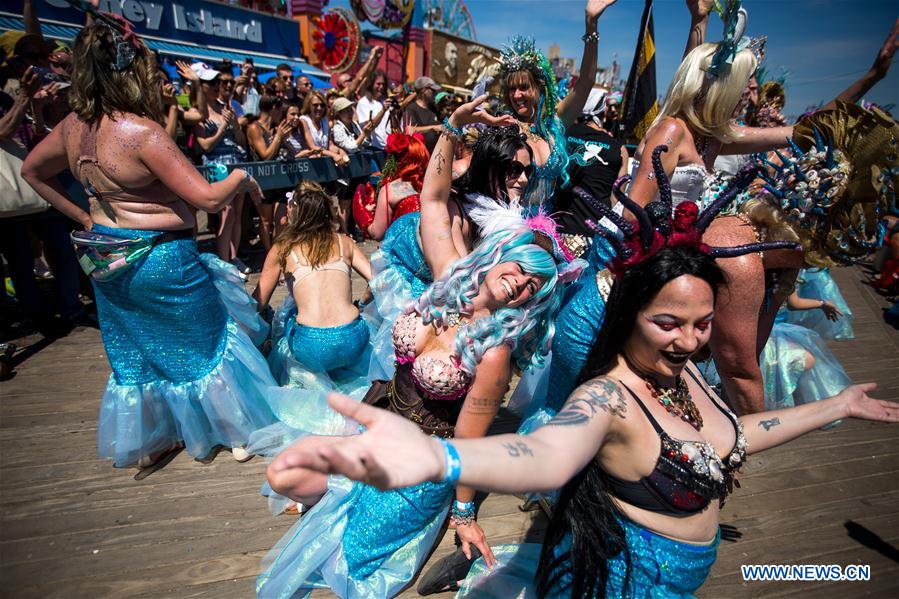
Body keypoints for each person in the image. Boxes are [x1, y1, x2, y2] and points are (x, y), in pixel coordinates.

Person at [266, 202, 898, 598]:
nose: (690, 341)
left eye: (703, 323)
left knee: (839, 576)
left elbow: (731, 438)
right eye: (668, 324)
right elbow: (544, 455)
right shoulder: (608, 398)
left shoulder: (688, 381)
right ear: (630, 317)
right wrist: (445, 464)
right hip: (621, 581)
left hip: (704, 576)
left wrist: (833, 408)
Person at [259, 218, 573, 597]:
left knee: (352, 558)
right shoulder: (447, 288)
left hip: (419, 463)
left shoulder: (494, 353)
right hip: (377, 428)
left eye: (532, 287)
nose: (520, 282)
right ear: (500, 254)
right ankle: (344, 490)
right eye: (520, 267)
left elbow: (468, 442)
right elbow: (434, 203)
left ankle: (367, 500)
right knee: (282, 476)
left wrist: (463, 515)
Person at [20, 17, 277, 468]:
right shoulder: (141, 131)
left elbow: (32, 172)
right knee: (204, 346)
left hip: (105, 255)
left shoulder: (71, 127)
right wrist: (241, 176)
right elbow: (209, 200)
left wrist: (86, 215)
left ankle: (158, 436)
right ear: (132, 71)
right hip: (160, 256)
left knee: (139, 352)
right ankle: (234, 429)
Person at [253, 181, 373, 394]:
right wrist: (362, 303)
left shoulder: (282, 248)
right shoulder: (344, 241)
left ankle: (299, 381)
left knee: (285, 317)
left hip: (311, 347)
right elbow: (378, 281)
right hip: (353, 341)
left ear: (295, 211)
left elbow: (259, 301)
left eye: (289, 205)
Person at [498, 0, 614, 208]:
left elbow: (586, 81)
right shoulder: (504, 127)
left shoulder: (555, 122)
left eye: (524, 87)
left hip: (548, 227)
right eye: (511, 89)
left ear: (539, 87)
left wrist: (591, 24)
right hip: (512, 228)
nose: (517, 95)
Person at [190, 61, 253, 274]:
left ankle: (232, 258)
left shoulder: (225, 107)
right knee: (225, 213)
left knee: (236, 213)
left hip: (236, 161)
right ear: (201, 86)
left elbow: (241, 140)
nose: (217, 86)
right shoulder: (197, 112)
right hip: (217, 166)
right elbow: (205, 145)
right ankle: (224, 260)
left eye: (218, 81)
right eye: (212, 82)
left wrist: (234, 125)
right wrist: (223, 128)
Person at [551, 87, 629, 258]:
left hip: (555, 230)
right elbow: (617, 199)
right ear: (602, 114)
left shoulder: (561, 135)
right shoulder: (619, 149)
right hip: (593, 236)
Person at [358, 132, 429, 242]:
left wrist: (363, 213)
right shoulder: (435, 185)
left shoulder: (390, 190)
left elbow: (377, 233)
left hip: (404, 255)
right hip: (436, 253)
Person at [246, 93, 291, 250]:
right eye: (280, 110)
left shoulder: (275, 128)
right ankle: (268, 253)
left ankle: (278, 251)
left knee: (282, 219)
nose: (281, 114)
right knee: (266, 220)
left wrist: (282, 137)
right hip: (263, 180)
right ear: (274, 108)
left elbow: (289, 151)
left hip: (279, 179)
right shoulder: (254, 127)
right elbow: (265, 155)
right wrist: (278, 137)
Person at [299, 90, 348, 166]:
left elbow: (329, 144)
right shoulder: (304, 120)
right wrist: (334, 155)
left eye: (322, 105)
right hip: (308, 164)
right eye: (315, 105)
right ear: (309, 105)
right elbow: (312, 147)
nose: (319, 108)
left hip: (324, 163)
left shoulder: (325, 121)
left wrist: (340, 151)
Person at [356, 69, 391, 150]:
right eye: (378, 84)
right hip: (372, 148)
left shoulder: (386, 101)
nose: (381, 87)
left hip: (388, 147)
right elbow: (368, 126)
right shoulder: (364, 102)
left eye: (383, 84)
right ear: (371, 84)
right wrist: (383, 110)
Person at [405, 76, 442, 152]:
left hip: (432, 154)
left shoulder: (433, 109)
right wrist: (433, 128)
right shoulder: (411, 108)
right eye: (433, 90)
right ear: (424, 91)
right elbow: (410, 130)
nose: (435, 93)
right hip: (418, 155)